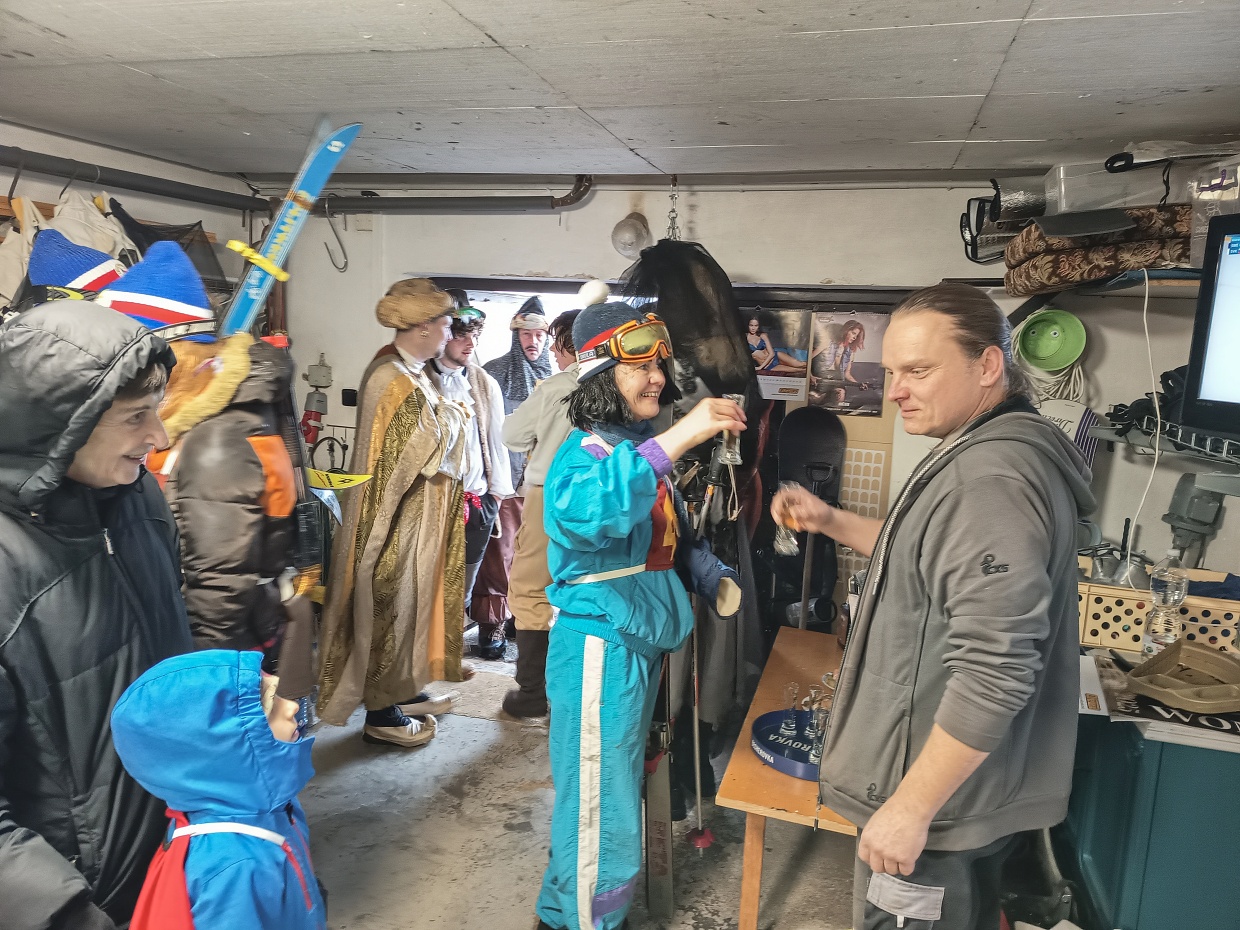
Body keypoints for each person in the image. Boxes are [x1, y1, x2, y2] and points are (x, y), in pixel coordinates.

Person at [771, 283, 1095, 930]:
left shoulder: (988, 481)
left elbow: (997, 669)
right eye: (892, 372)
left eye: (918, 371)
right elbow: (922, 554)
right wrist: (830, 519)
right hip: (964, 792)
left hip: (936, 805)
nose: (895, 391)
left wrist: (911, 807)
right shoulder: (994, 449)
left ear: (988, 365)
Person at [535, 301, 744, 930]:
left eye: (659, 364)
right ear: (602, 374)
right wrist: (679, 437)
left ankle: (573, 912)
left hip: (633, 640)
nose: (657, 377)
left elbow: (663, 540)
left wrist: (709, 574)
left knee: (608, 789)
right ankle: (586, 921)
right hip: (600, 644)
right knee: (599, 800)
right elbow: (585, 515)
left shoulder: (629, 447)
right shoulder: (585, 452)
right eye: (640, 367)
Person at [0, 299, 193, 930]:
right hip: (81, 897)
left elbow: (167, 650)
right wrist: (66, 913)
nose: (160, 437)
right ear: (59, 425)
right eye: (137, 416)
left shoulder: (139, 500)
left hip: (171, 855)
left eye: (157, 409)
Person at [317, 278, 470, 747]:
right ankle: (381, 714)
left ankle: (402, 689)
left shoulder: (414, 371)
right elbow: (427, 448)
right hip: (394, 521)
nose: (450, 332)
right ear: (422, 326)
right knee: (388, 608)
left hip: (417, 517)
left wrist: (450, 414)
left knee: (411, 609)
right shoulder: (391, 377)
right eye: (445, 323)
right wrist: (457, 416)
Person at [111, 650, 325, 930]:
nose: (292, 707)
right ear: (219, 752)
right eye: (269, 707)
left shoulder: (271, 803)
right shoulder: (232, 869)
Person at [500, 303, 585, 717]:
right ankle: (575, 691)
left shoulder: (555, 387)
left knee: (530, 589)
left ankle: (532, 693)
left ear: (572, 344)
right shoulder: (619, 383)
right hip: (601, 496)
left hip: (549, 493)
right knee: (583, 588)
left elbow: (512, 434)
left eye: (556, 342)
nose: (551, 350)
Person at [428, 302, 514, 639]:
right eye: (463, 336)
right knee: (427, 581)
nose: (471, 344)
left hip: (477, 503)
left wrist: (495, 497)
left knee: (462, 586)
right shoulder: (420, 378)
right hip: (432, 503)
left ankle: (446, 650)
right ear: (444, 336)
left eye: (475, 336)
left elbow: (497, 441)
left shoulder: (484, 382)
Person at [475, 296, 553, 658]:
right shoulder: (492, 373)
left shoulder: (556, 379)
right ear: (515, 335)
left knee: (532, 558)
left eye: (539, 335)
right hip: (505, 481)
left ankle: (521, 618)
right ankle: (491, 624)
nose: (533, 341)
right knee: (499, 555)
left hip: (541, 482)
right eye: (526, 334)